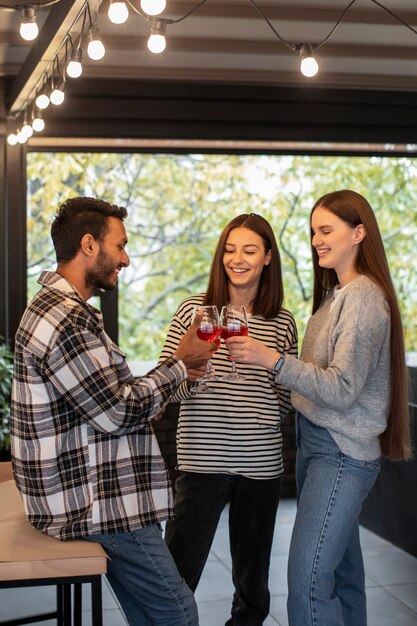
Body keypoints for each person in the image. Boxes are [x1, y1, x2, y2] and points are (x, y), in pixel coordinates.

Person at [10, 196, 216, 626]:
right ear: (89, 245)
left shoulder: (55, 308)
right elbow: (117, 412)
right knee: (179, 612)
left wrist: (178, 376)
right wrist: (179, 362)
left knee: (151, 613)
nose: (125, 257)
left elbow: (110, 398)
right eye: (119, 245)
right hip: (92, 502)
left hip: (80, 491)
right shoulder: (66, 320)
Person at [226, 190, 412, 626]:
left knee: (307, 582)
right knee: (343, 579)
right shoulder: (337, 296)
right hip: (319, 445)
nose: (316, 240)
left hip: (341, 453)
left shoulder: (363, 297)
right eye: (313, 231)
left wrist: (270, 359)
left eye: (326, 230)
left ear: (359, 232)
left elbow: (343, 388)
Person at [159, 213, 298, 626]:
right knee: (176, 575)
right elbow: (167, 386)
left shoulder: (282, 322)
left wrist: (266, 368)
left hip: (260, 464)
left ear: (268, 258)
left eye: (250, 250)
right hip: (203, 460)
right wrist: (196, 375)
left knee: (253, 588)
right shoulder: (193, 311)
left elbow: (287, 401)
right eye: (231, 249)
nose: (238, 259)